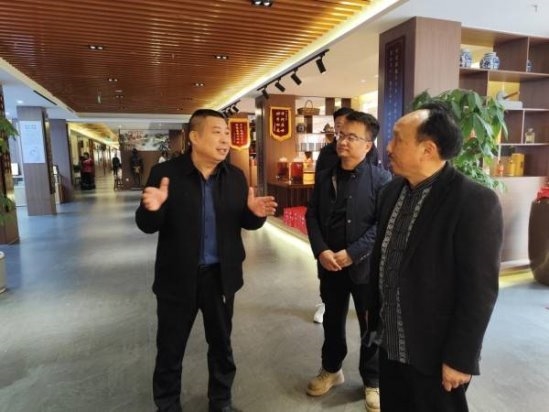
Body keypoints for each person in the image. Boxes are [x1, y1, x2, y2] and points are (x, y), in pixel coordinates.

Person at [135, 109, 277, 412]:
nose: (225, 139)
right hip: (177, 279)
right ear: (195, 137)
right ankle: (167, 404)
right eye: (217, 132)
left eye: (227, 133)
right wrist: (151, 208)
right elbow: (147, 226)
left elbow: (245, 223)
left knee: (222, 346)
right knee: (170, 348)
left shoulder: (236, 177)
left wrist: (254, 214)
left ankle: (221, 401)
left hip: (220, 278)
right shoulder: (166, 175)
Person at [368, 102, 503, 412]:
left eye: (398, 139)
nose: (388, 147)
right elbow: (384, 259)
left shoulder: (473, 202)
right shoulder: (391, 192)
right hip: (390, 344)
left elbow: (479, 291)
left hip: (436, 354)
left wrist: (461, 358)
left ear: (427, 149)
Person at [305, 111, 391, 412]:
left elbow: (382, 224)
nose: (343, 141)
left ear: (368, 145)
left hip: (364, 268)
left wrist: (354, 252)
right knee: (332, 319)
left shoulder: (382, 180)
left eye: (352, 137)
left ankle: (372, 380)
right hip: (330, 265)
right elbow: (312, 215)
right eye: (341, 135)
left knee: (370, 325)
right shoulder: (325, 174)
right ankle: (331, 369)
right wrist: (321, 250)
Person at [311, 106, 354, 324]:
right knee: (327, 274)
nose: (341, 131)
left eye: (347, 126)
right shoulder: (327, 153)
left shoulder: (369, 153)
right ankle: (324, 303)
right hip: (330, 226)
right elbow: (317, 197)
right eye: (338, 126)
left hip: (356, 229)